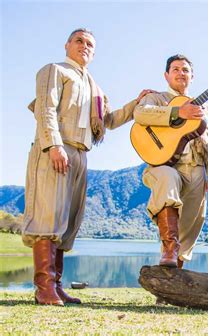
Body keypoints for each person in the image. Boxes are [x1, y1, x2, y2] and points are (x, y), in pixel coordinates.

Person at [22, 28, 154, 306]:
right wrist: (53, 145)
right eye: (79, 41)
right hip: (56, 148)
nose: (84, 46)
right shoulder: (54, 70)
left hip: (82, 154)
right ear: (67, 44)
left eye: (90, 44)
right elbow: (45, 108)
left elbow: (109, 120)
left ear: (94, 52)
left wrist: (136, 103)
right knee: (48, 215)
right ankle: (44, 287)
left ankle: (56, 286)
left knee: (67, 220)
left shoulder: (95, 87)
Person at [133, 54, 208, 269]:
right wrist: (178, 112)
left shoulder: (207, 110)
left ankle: (173, 277)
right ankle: (169, 250)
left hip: (197, 167)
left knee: (193, 221)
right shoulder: (155, 98)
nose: (181, 73)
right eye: (175, 69)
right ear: (166, 75)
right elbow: (140, 114)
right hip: (164, 165)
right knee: (167, 180)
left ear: (192, 76)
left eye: (185, 70)